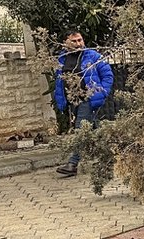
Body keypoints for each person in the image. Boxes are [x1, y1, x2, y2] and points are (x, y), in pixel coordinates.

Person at [53, 29, 113, 176]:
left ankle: (72, 164)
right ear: (65, 43)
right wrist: (61, 101)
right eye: (74, 41)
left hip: (88, 98)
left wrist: (101, 93)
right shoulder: (62, 59)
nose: (78, 44)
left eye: (80, 40)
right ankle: (112, 156)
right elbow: (59, 83)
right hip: (73, 100)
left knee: (81, 130)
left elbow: (108, 75)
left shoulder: (93, 56)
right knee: (96, 130)